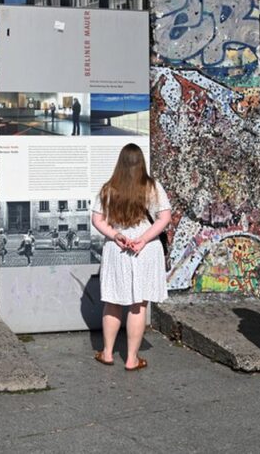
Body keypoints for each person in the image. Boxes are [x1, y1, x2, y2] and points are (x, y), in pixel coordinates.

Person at [92, 143, 171, 371]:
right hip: (144, 250)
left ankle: (107, 353)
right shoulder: (152, 187)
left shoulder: (109, 188)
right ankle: (131, 359)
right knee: (138, 304)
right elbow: (164, 217)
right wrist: (144, 239)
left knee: (113, 302)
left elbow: (97, 220)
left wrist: (116, 235)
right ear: (141, 162)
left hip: (118, 249)